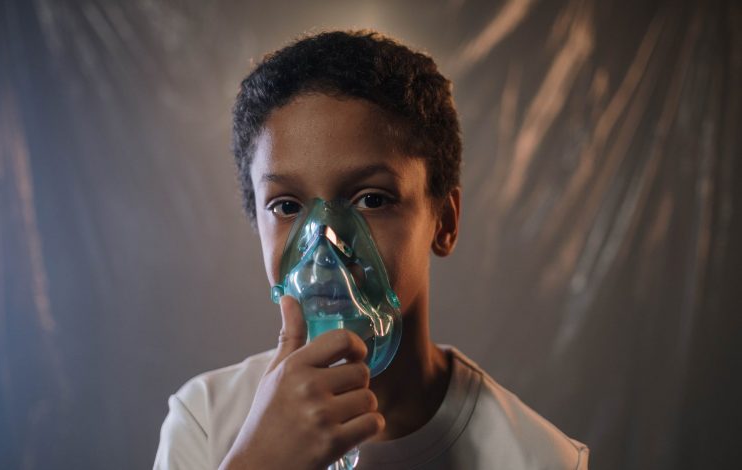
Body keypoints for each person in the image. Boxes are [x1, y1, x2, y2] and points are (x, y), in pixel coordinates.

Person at [154, 30, 589, 470]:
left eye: (371, 199)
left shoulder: (539, 460)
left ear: (445, 221)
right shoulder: (205, 425)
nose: (325, 247)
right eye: (287, 206)